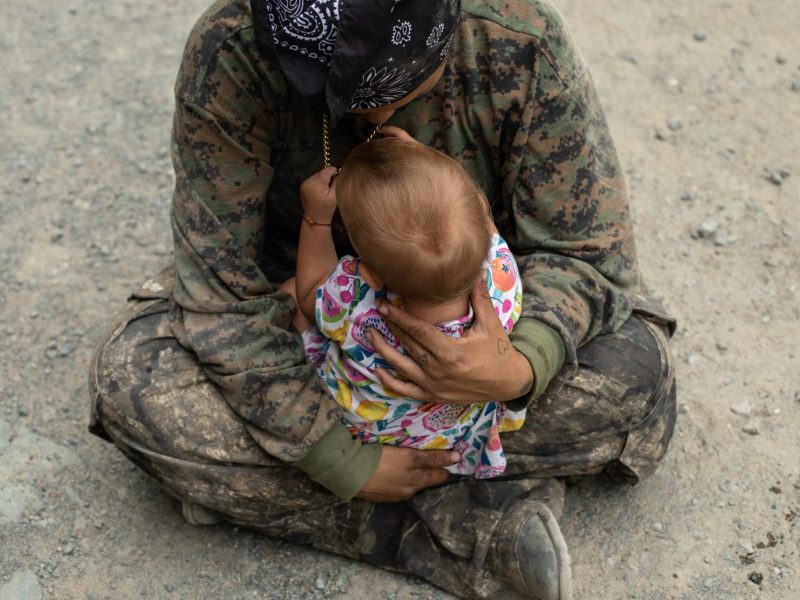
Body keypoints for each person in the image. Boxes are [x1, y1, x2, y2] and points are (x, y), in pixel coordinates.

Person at [88, 1, 677, 599]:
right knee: (136, 385)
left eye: (402, 85)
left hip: (427, 357)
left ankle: (261, 494)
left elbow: (587, 253)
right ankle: (468, 528)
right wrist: (337, 457)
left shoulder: (515, 33)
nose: (372, 115)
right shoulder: (235, 50)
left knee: (635, 373)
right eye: (338, 93)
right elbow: (222, 296)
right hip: (303, 337)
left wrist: (516, 366)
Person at [291, 135, 527, 478]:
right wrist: (425, 156)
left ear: (369, 274)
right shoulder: (500, 274)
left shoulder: (356, 307)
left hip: (375, 428)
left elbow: (309, 291)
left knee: (292, 300)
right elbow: (480, 221)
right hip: (450, 430)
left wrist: (316, 221)